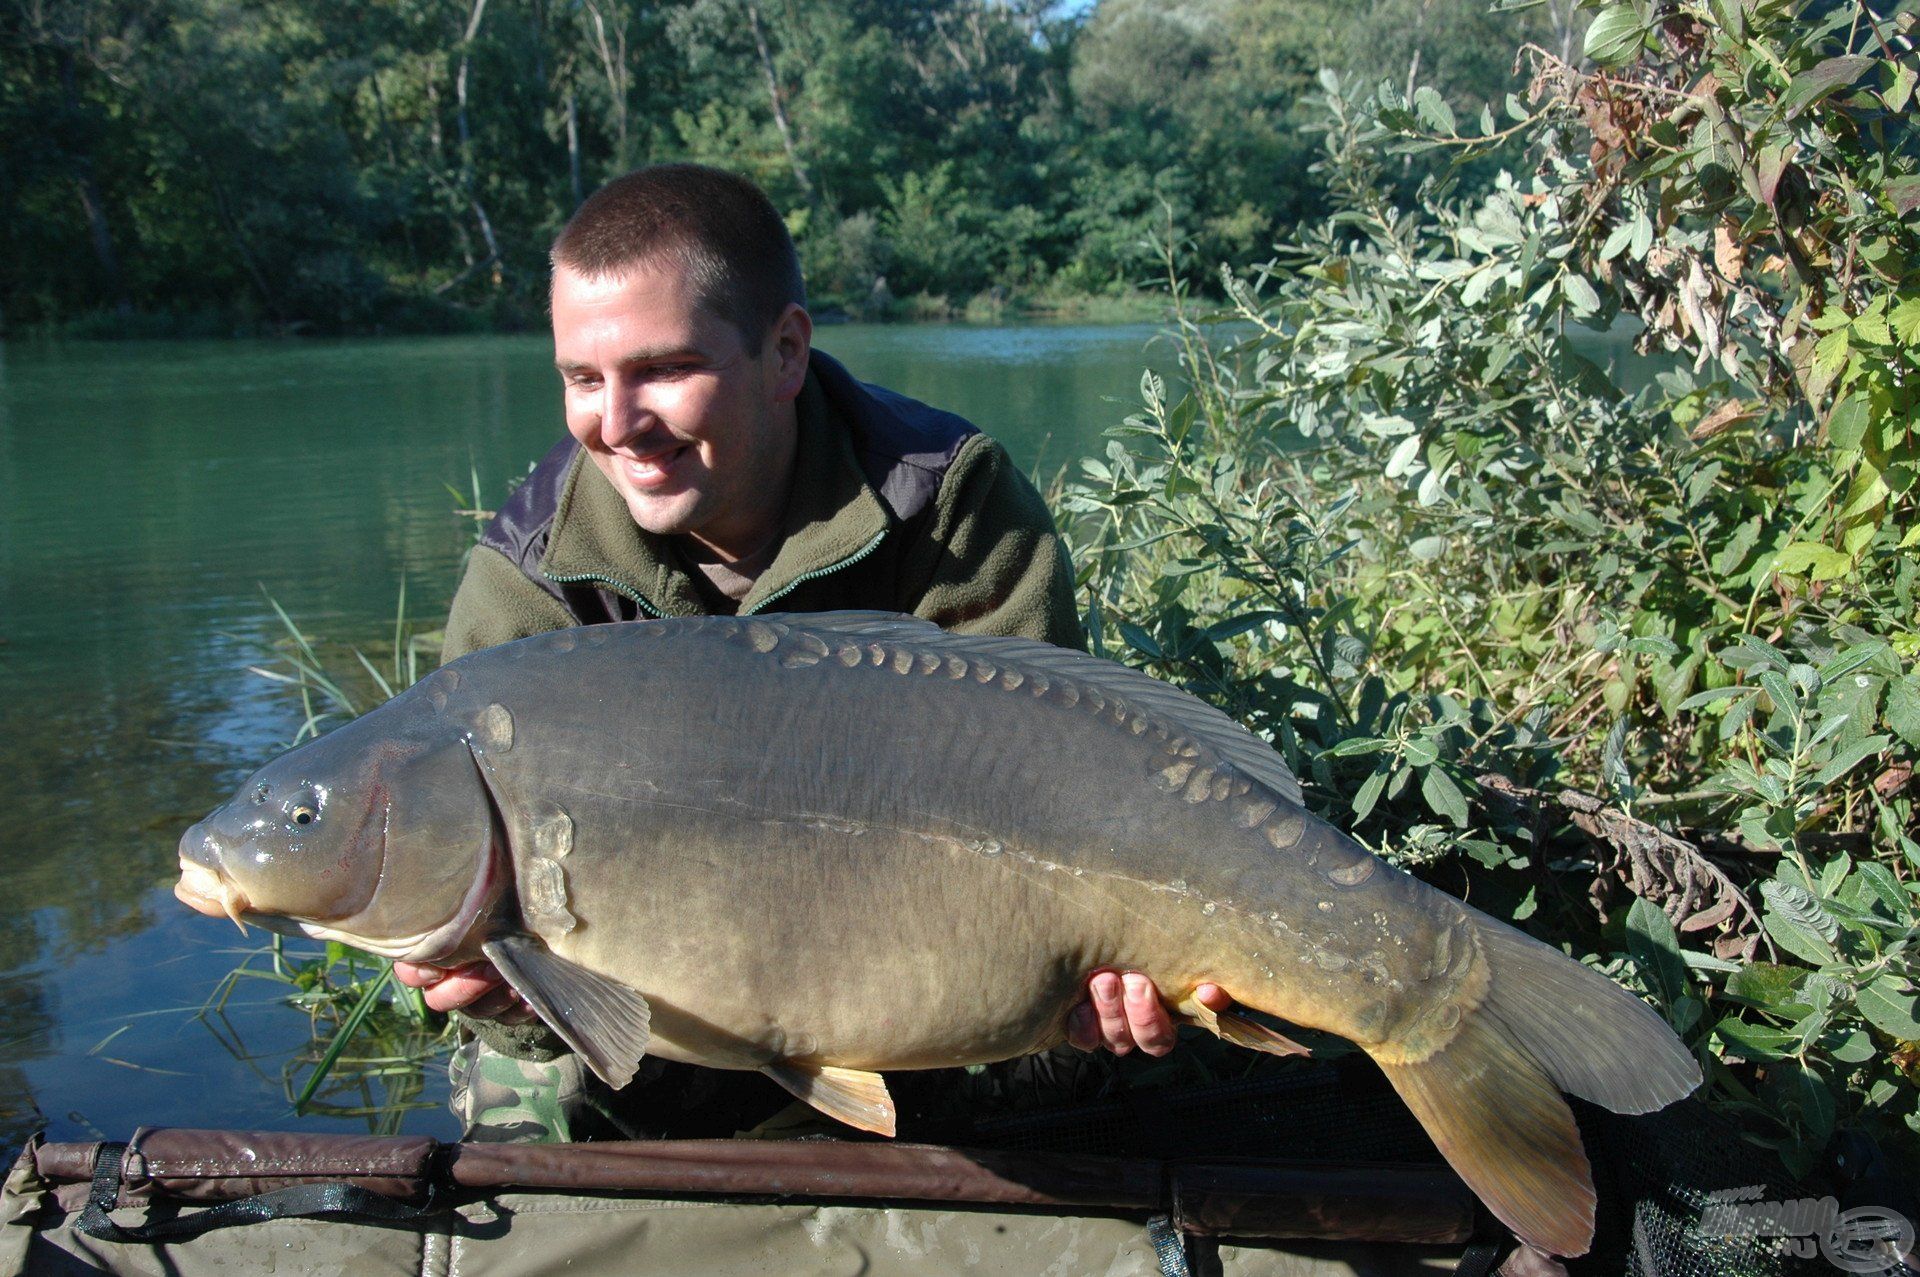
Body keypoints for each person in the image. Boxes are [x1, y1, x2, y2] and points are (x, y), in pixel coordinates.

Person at [395, 163, 1226, 1141]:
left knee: (1088, 1057)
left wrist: (1093, 972)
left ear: (785, 351)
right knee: (537, 1086)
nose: (617, 426)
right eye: (583, 378)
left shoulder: (948, 505)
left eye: (663, 369)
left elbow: (1064, 795)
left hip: (932, 966)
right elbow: (464, 909)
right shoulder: (532, 574)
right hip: (658, 1005)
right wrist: (486, 988)